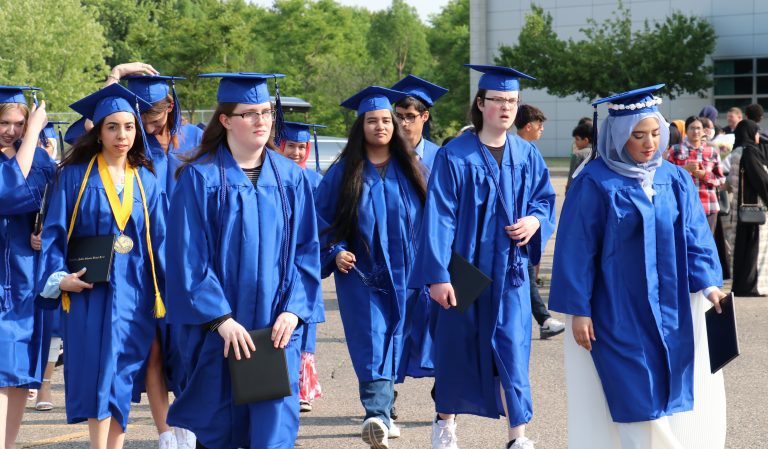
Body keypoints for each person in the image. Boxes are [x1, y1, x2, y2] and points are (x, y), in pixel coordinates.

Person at [549, 84, 727, 449]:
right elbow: (577, 250)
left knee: (668, 392)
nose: (649, 143)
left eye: (655, 133)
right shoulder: (595, 182)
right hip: (616, 310)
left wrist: (710, 286)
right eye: (638, 135)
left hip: (671, 308)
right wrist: (579, 310)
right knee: (635, 396)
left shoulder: (673, 178)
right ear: (617, 136)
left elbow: (695, 236)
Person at [164, 73, 321, 449]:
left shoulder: (291, 179)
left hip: (276, 331)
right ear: (225, 120)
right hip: (220, 332)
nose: (262, 120)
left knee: (272, 434)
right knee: (218, 431)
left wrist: (294, 312)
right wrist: (220, 318)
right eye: (249, 113)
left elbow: (307, 252)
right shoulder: (199, 179)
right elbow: (188, 257)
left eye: (266, 112)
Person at [409, 64, 556, 449]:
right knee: (456, 349)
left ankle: (518, 437)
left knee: (512, 350)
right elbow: (438, 216)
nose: (506, 107)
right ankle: (445, 424)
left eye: (512, 101)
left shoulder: (527, 154)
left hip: (510, 274)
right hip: (464, 272)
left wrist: (535, 222)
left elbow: (544, 200)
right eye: (498, 100)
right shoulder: (454, 155)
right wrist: (438, 274)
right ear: (481, 103)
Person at [36, 83, 165, 449]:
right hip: (89, 292)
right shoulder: (75, 177)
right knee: (96, 373)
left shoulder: (147, 182)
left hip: (135, 295)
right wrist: (61, 279)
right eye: (112, 126)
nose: (121, 135)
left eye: (128, 126)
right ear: (98, 131)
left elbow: (162, 244)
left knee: (123, 375)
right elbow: (55, 234)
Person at [315, 85, 426, 448]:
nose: (380, 126)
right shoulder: (343, 172)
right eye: (372, 121)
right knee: (371, 337)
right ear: (360, 126)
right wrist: (334, 251)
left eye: (385, 120)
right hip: (363, 274)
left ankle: (386, 407)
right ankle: (375, 413)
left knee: (398, 336)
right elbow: (320, 221)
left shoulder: (412, 168)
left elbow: (434, 220)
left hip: (408, 271)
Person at [120, 70, 203, 449]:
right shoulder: (134, 146)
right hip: (147, 260)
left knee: (189, 349)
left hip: (190, 258)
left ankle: (190, 425)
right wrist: (115, 76)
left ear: (169, 106)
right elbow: (93, 122)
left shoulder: (196, 139)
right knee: (152, 348)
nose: (143, 127)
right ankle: (166, 433)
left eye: (150, 119)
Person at [0, 85, 55, 449]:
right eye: (4, 122)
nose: (12, 130)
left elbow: (57, 204)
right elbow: (8, 193)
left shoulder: (39, 160)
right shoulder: (20, 157)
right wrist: (35, 132)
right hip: (3, 279)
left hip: (27, 279)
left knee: (19, 375)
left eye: (20, 123)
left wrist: (45, 234)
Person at [276, 121, 327, 412]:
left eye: (301, 147)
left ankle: (301, 387)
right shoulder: (271, 177)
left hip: (307, 261)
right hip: (278, 262)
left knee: (304, 324)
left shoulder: (316, 181)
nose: (296, 152)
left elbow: (326, 226)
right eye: (290, 145)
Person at [514, 104, 564, 339]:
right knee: (523, 272)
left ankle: (542, 319)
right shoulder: (519, 151)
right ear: (528, 126)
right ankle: (543, 319)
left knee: (525, 273)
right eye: (539, 124)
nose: (542, 129)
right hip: (515, 227)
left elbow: (542, 195)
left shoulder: (528, 151)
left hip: (526, 224)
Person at [667, 116, 725, 233]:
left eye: (699, 128)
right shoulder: (675, 150)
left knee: (707, 245)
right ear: (686, 130)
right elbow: (666, 177)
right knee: (686, 244)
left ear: (704, 131)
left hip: (708, 206)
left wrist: (705, 175)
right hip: (683, 205)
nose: (696, 131)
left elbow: (721, 180)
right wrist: (684, 170)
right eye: (692, 128)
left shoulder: (712, 151)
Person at [731, 119, 768, 296]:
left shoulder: (737, 151)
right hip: (754, 206)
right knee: (753, 246)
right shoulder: (751, 152)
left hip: (739, 207)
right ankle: (751, 286)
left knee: (742, 247)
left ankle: (740, 285)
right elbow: (761, 180)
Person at [391, 75, 448, 170]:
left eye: (410, 116)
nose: (403, 123)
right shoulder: (385, 154)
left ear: (425, 116)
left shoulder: (439, 156)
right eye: (399, 116)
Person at [566, 121, 593, 193]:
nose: (575, 142)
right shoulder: (600, 153)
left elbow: (572, 178)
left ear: (586, 140)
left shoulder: (578, 155)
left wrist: (567, 192)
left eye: (577, 139)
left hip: (579, 193)